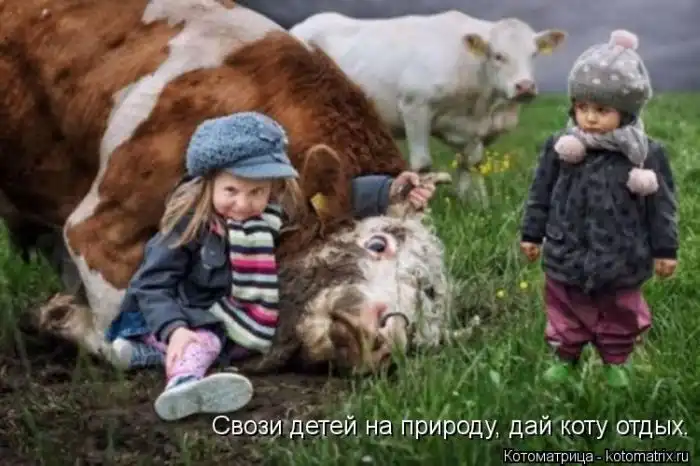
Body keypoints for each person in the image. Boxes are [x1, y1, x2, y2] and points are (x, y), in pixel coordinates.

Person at [105, 111, 436, 421]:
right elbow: (151, 286)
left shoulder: (270, 216)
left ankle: (141, 353)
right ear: (208, 183)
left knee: (225, 342)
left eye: (256, 192)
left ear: (273, 189)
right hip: (177, 314)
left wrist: (390, 190)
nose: (243, 204)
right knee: (207, 343)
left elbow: (338, 197)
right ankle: (183, 386)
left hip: (219, 315)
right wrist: (176, 330)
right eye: (231, 190)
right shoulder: (188, 227)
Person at [519, 30, 679, 388]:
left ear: (626, 112)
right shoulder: (562, 147)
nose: (589, 118)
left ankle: (616, 360)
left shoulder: (646, 155)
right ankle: (565, 356)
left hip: (622, 253)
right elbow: (540, 192)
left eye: (602, 110)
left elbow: (662, 206)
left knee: (620, 307)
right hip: (567, 248)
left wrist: (665, 249)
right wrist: (532, 233)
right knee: (565, 303)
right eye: (582, 108)